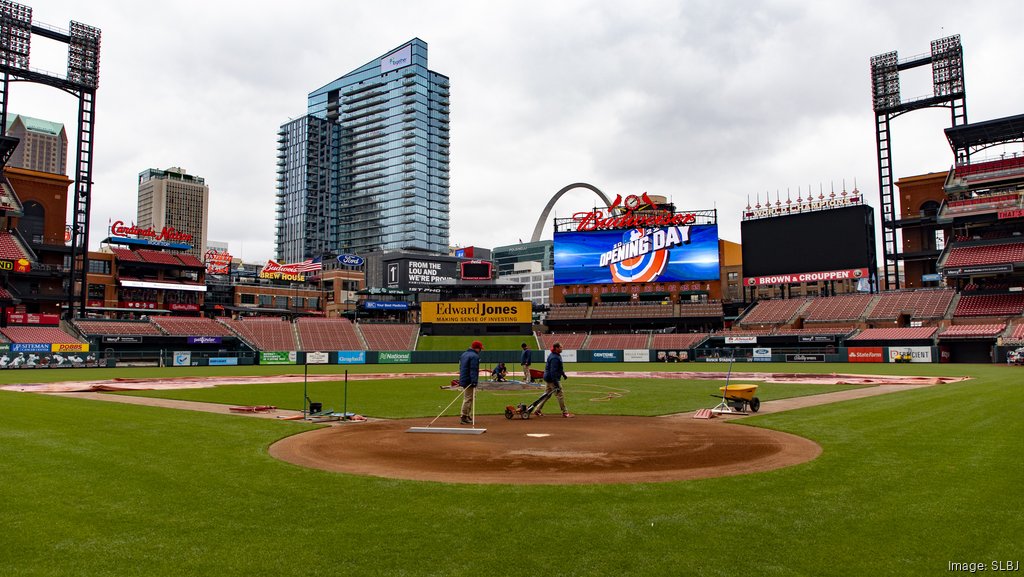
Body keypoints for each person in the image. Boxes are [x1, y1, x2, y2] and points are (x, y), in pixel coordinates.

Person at [536, 342, 574, 418]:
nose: (562, 348)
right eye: (561, 347)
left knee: (546, 395)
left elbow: (559, 368)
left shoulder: (555, 355)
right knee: (560, 394)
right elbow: (553, 371)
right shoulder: (554, 358)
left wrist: (563, 374)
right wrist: (556, 384)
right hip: (552, 379)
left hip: (548, 378)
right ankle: (565, 412)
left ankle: (537, 410)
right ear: (556, 348)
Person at [458, 340, 484, 425]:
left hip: (464, 378)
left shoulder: (464, 354)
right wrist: (473, 381)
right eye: (480, 348)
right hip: (469, 380)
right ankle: (464, 416)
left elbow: (461, 367)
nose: (480, 350)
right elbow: (473, 370)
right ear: (477, 348)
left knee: (470, 397)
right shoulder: (474, 356)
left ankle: (467, 415)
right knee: (468, 398)